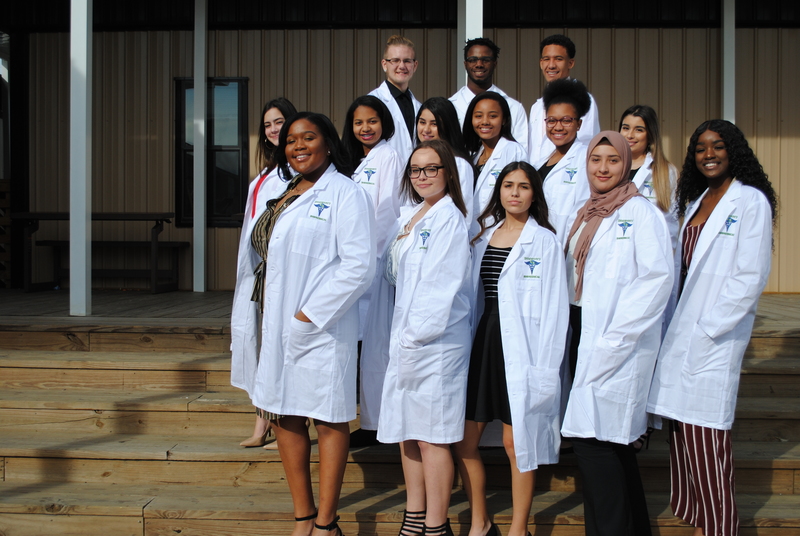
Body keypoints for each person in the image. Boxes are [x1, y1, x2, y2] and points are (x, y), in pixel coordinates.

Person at [647, 120, 777, 536]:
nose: (708, 154)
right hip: (683, 333)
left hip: (712, 337)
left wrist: (708, 327)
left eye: (717, 146)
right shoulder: (699, 199)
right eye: (700, 148)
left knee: (707, 444)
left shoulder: (750, 201)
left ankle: (721, 528)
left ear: (733, 150)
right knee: (683, 440)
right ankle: (701, 522)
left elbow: (750, 276)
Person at [251, 112, 376, 536]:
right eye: (290, 140)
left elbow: (360, 265)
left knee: (327, 418)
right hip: (279, 321)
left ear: (327, 143)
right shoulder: (285, 191)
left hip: (321, 327)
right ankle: (303, 518)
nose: (298, 145)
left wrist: (309, 315)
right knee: (284, 414)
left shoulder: (344, 192)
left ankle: (327, 523)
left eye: (308, 137)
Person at [561, 131, 673, 536]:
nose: (602, 168)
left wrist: (615, 340)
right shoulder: (585, 211)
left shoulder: (641, 213)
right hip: (580, 333)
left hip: (616, 343)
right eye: (595, 160)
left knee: (594, 445)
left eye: (612, 160)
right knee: (611, 449)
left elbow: (657, 280)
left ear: (626, 164)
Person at [453, 161, 568, 536]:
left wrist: (547, 368)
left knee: (515, 443)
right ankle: (480, 521)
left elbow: (555, 310)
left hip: (522, 350)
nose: (514, 193)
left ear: (535, 194)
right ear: (498, 191)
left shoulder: (545, 241)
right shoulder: (482, 236)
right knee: (465, 442)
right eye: (507, 185)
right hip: (484, 344)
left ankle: (519, 528)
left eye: (523, 186)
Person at [369, 140, 471, 536]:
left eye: (431, 168)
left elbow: (440, 289)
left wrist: (414, 338)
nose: (423, 176)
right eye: (416, 170)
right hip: (406, 340)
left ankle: (436, 524)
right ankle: (414, 515)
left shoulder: (449, 219)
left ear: (448, 172)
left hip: (435, 344)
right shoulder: (410, 216)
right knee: (406, 431)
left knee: (432, 437)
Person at [230, 97, 297, 449]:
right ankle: (263, 419)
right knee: (264, 346)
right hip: (263, 273)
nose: (274, 129)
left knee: (281, 346)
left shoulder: (300, 172)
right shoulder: (262, 178)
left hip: (289, 274)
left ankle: (280, 423)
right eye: (268, 124)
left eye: (280, 121)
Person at [341, 95, 403, 448]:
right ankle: (364, 419)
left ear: (384, 124)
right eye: (358, 123)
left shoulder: (388, 156)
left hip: (372, 263)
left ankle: (375, 423)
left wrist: (364, 257)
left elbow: (386, 211)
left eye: (372, 121)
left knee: (374, 345)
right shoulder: (356, 161)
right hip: (353, 264)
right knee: (360, 341)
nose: (366, 128)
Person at [528, 34, 600, 166]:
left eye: (558, 59)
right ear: (540, 63)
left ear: (570, 63)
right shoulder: (536, 107)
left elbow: (586, 143)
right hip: (538, 176)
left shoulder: (581, 99)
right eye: (546, 59)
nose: (551, 65)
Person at [463, 91, 528, 235]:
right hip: (473, 233)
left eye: (493, 116)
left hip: (500, 232)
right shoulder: (473, 156)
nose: (485, 121)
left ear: (504, 119)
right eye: (478, 116)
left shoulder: (513, 151)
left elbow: (520, 195)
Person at [537, 78, 592, 243]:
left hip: (565, 246)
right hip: (538, 245)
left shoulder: (586, 159)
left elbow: (582, 212)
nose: (558, 127)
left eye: (566, 120)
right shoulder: (540, 162)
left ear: (579, 124)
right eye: (552, 120)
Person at [619, 104, 679, 250]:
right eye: (625, 128)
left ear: (650, 134)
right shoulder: (608, 167)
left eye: (639, 130)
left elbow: (671, 223)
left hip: (649, 251)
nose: (630, 135)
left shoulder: (665, 171)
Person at [449, 37, 529, 148]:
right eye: (473, 60)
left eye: (486, 60)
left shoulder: (513, 107)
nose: (479, 64)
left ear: (495, 64)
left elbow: (521, 151)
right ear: (465, 64)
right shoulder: (451, 105)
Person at [416, 97, 475, 219]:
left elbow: (464, 214)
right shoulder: (415, 159)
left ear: (447, 126)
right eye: (422, 122)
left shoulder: (458, 164)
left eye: (434, 124)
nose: (426, 130)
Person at [370, 35, 422, 163]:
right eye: (395, 60)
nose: (402, 66)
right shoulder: (373, 102)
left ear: (415, 66)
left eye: (407, 61)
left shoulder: (419, 107)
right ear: (384, 64)